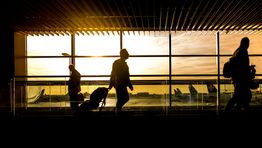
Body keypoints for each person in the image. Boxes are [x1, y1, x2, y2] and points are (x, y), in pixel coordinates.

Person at [224, 37, 254, 114]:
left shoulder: (237, 51)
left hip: (237, 78)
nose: (248, 45)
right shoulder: (243, 52)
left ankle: (229, 112)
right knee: (240, 98)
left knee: (239, 97)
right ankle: (226, 112)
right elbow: (242, 67)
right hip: (241, 79)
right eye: (247, 43)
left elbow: (239, 66)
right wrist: (249, 69)